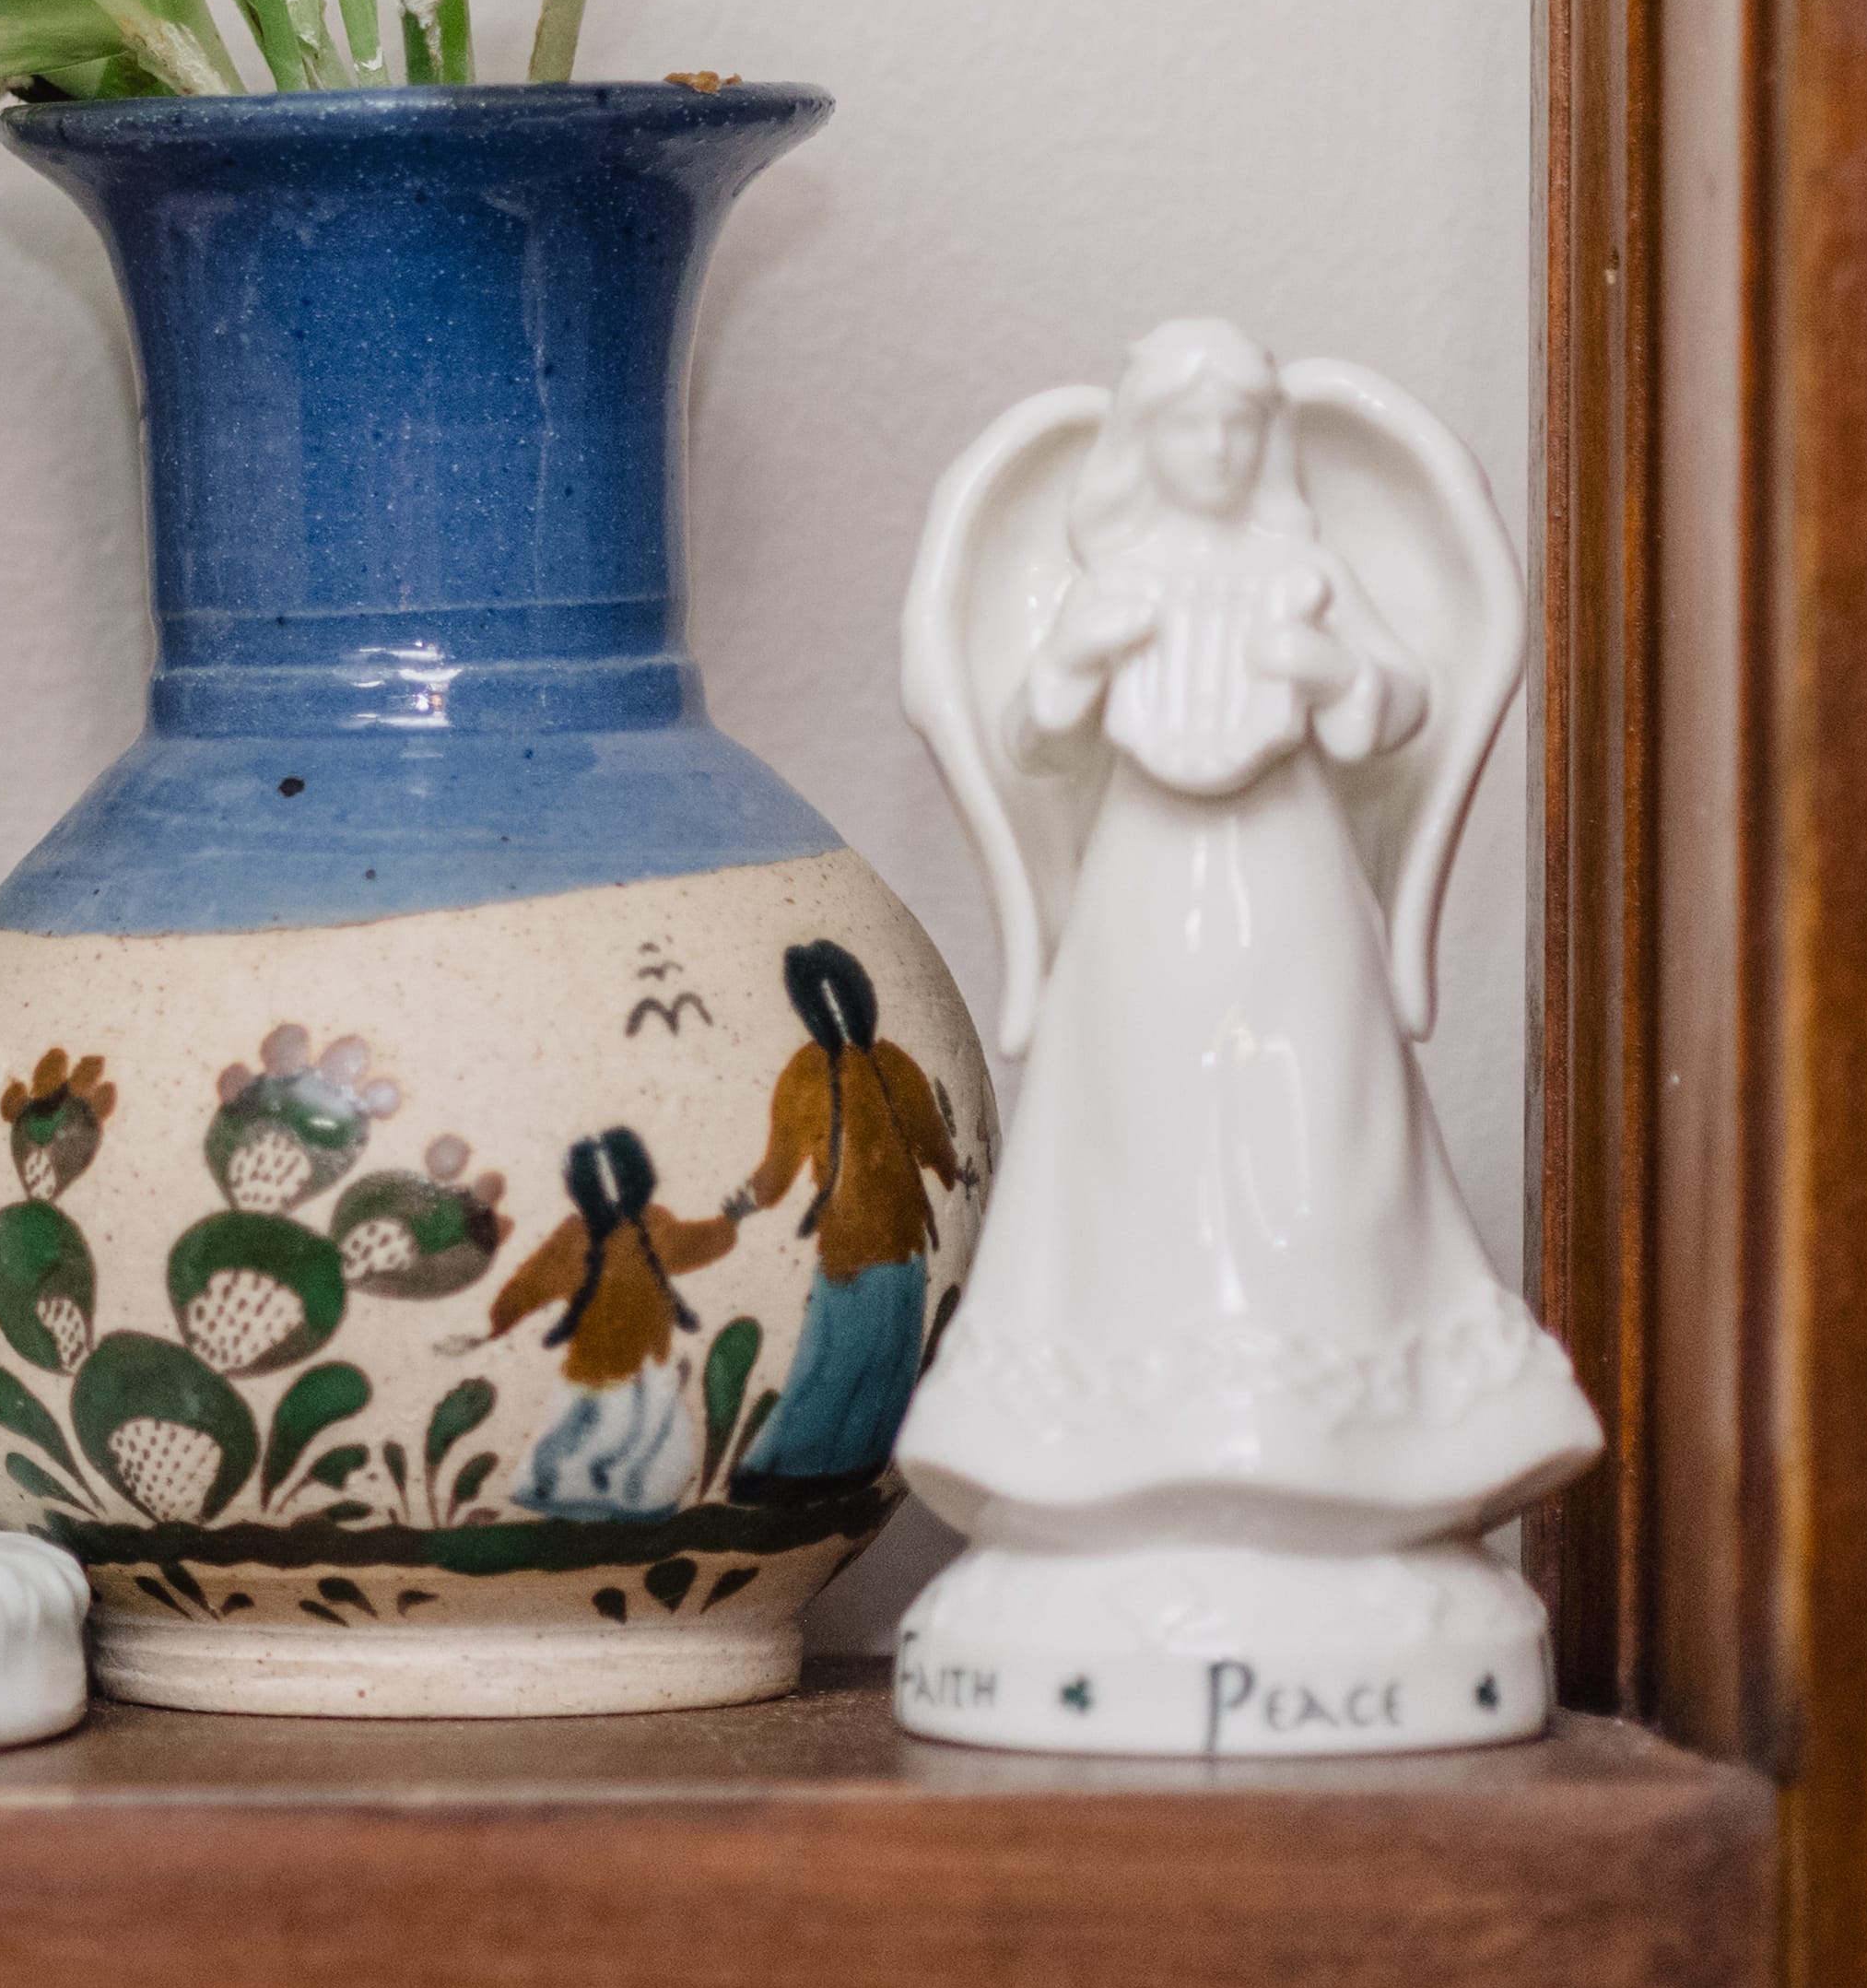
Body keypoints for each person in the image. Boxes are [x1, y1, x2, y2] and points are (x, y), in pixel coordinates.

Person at [892, 323, 1598, 1547]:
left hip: (1289, 879)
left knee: (1307, 1098)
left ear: (1260, 437)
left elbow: (1400, 705)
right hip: (1141, 890)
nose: (1212, 448)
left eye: (1233, 425)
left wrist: (1323, 669)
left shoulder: (1302, 570)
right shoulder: (1106, 579)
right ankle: (1116, 1408)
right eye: (1186, 424)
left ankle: (1336, 1403)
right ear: (1145, 440)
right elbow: (1030, 742)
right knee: (1139, 1108)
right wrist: (1069, 661)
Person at [727, 936, 979, 1488]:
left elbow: (932, 1143)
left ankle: (827, 1469)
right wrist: (746, 1204)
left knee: (871, 1358)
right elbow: (782, 1164)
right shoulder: (833, 1070)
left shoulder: (880, 1065)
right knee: (845, 1357)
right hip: (865, 1243)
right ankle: (791, 1470)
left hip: (894, 1240)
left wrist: (955, 1174)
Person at [480, 1126, 742, 1515]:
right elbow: (531, 1285)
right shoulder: (596, 1236)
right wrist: (500, 1319)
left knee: (640, 1430)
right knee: (594, 1428)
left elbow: (698, 1242)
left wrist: (727, 1224)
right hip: (599, 1364)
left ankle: (629, 1498)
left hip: (640, 1363)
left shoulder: (643, 1230)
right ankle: (565, 1490)